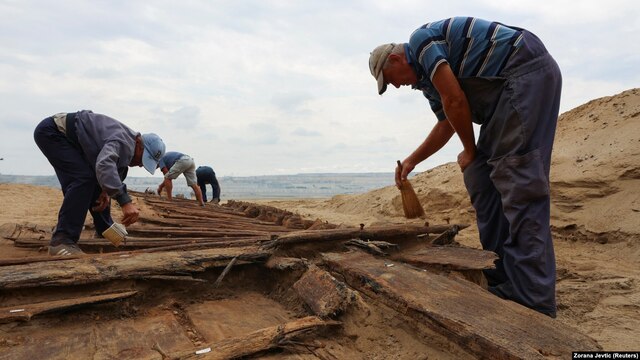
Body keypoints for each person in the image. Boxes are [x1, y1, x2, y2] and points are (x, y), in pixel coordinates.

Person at [369, 16, 562, 317]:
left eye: (390, 78)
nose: (395, 86)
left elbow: (456, 101)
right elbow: (446, 122)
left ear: (395, 58)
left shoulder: (421, 42)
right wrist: (411, 161)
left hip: (523, 75)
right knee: (479, 178)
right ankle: (503, 278)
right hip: (502, 98)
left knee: (518, 182)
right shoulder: (427, 83)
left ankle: (533, 297)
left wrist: (470, 150)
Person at [34, 110, 166, 256]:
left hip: (69, 140)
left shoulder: (129, 145)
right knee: (82, 179)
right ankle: (62, 241)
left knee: (94, 184)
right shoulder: (123, 141)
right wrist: (125, 202)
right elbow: (104, 165)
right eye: (143, 159)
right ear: (139, 144)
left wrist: (105, 191)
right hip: (54, 133)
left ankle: (105, 231)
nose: (141, 165)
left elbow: (114, 171)